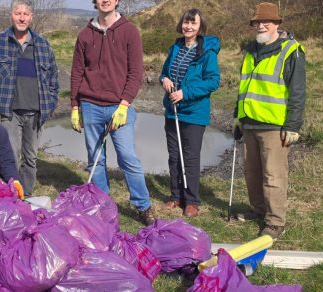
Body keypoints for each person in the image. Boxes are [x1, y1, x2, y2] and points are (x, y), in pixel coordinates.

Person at [70, 0, 152, 222]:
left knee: (127, 156)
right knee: (95, 159)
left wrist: (124, 104)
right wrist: (75, 106)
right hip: (90, 105)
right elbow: (77, 72)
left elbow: (135, 73)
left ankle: (143, 206)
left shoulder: (129, 32)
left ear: (117, 1)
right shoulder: (85, 35)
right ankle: (103, 206)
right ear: (94, 2)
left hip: (119, 107)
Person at [233, 2, 306, 239]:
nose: (261, 25)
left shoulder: (291, 50)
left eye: (267, 21)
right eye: (257, 22)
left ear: (277, 24)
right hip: (250, 122)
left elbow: (297, 92)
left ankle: (275, 223)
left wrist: (293, 126)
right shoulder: (251, 50)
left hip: (274, 126)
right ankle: (259, 211)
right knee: (252, 172)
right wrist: (238, 117)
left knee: (273, 176)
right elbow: (244, 87)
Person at [0, 0, 59, 197]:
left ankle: (27, 196)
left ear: (31, 17)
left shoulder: (42, 45)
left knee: (31, 158)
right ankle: (11, 195)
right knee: (10, 156)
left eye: (26, 14)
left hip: (36, 113)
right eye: (17, 13)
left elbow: (53, 80)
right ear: (11, 15)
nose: (22, 18)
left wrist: (51, 103)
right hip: (9, 112)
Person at [158, 8, 220, 218]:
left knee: (190, 158)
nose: (189, 27)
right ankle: (175, 196)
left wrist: (186, 93)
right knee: (174, 156)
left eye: (193, 24)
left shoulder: (207, 52)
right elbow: (165, 72)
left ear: (200, 27)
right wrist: (164, 79)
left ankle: (192, 200)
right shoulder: (175, 47)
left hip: (194, 113)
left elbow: (213, 81)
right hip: (172, 112)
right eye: (186, 23)